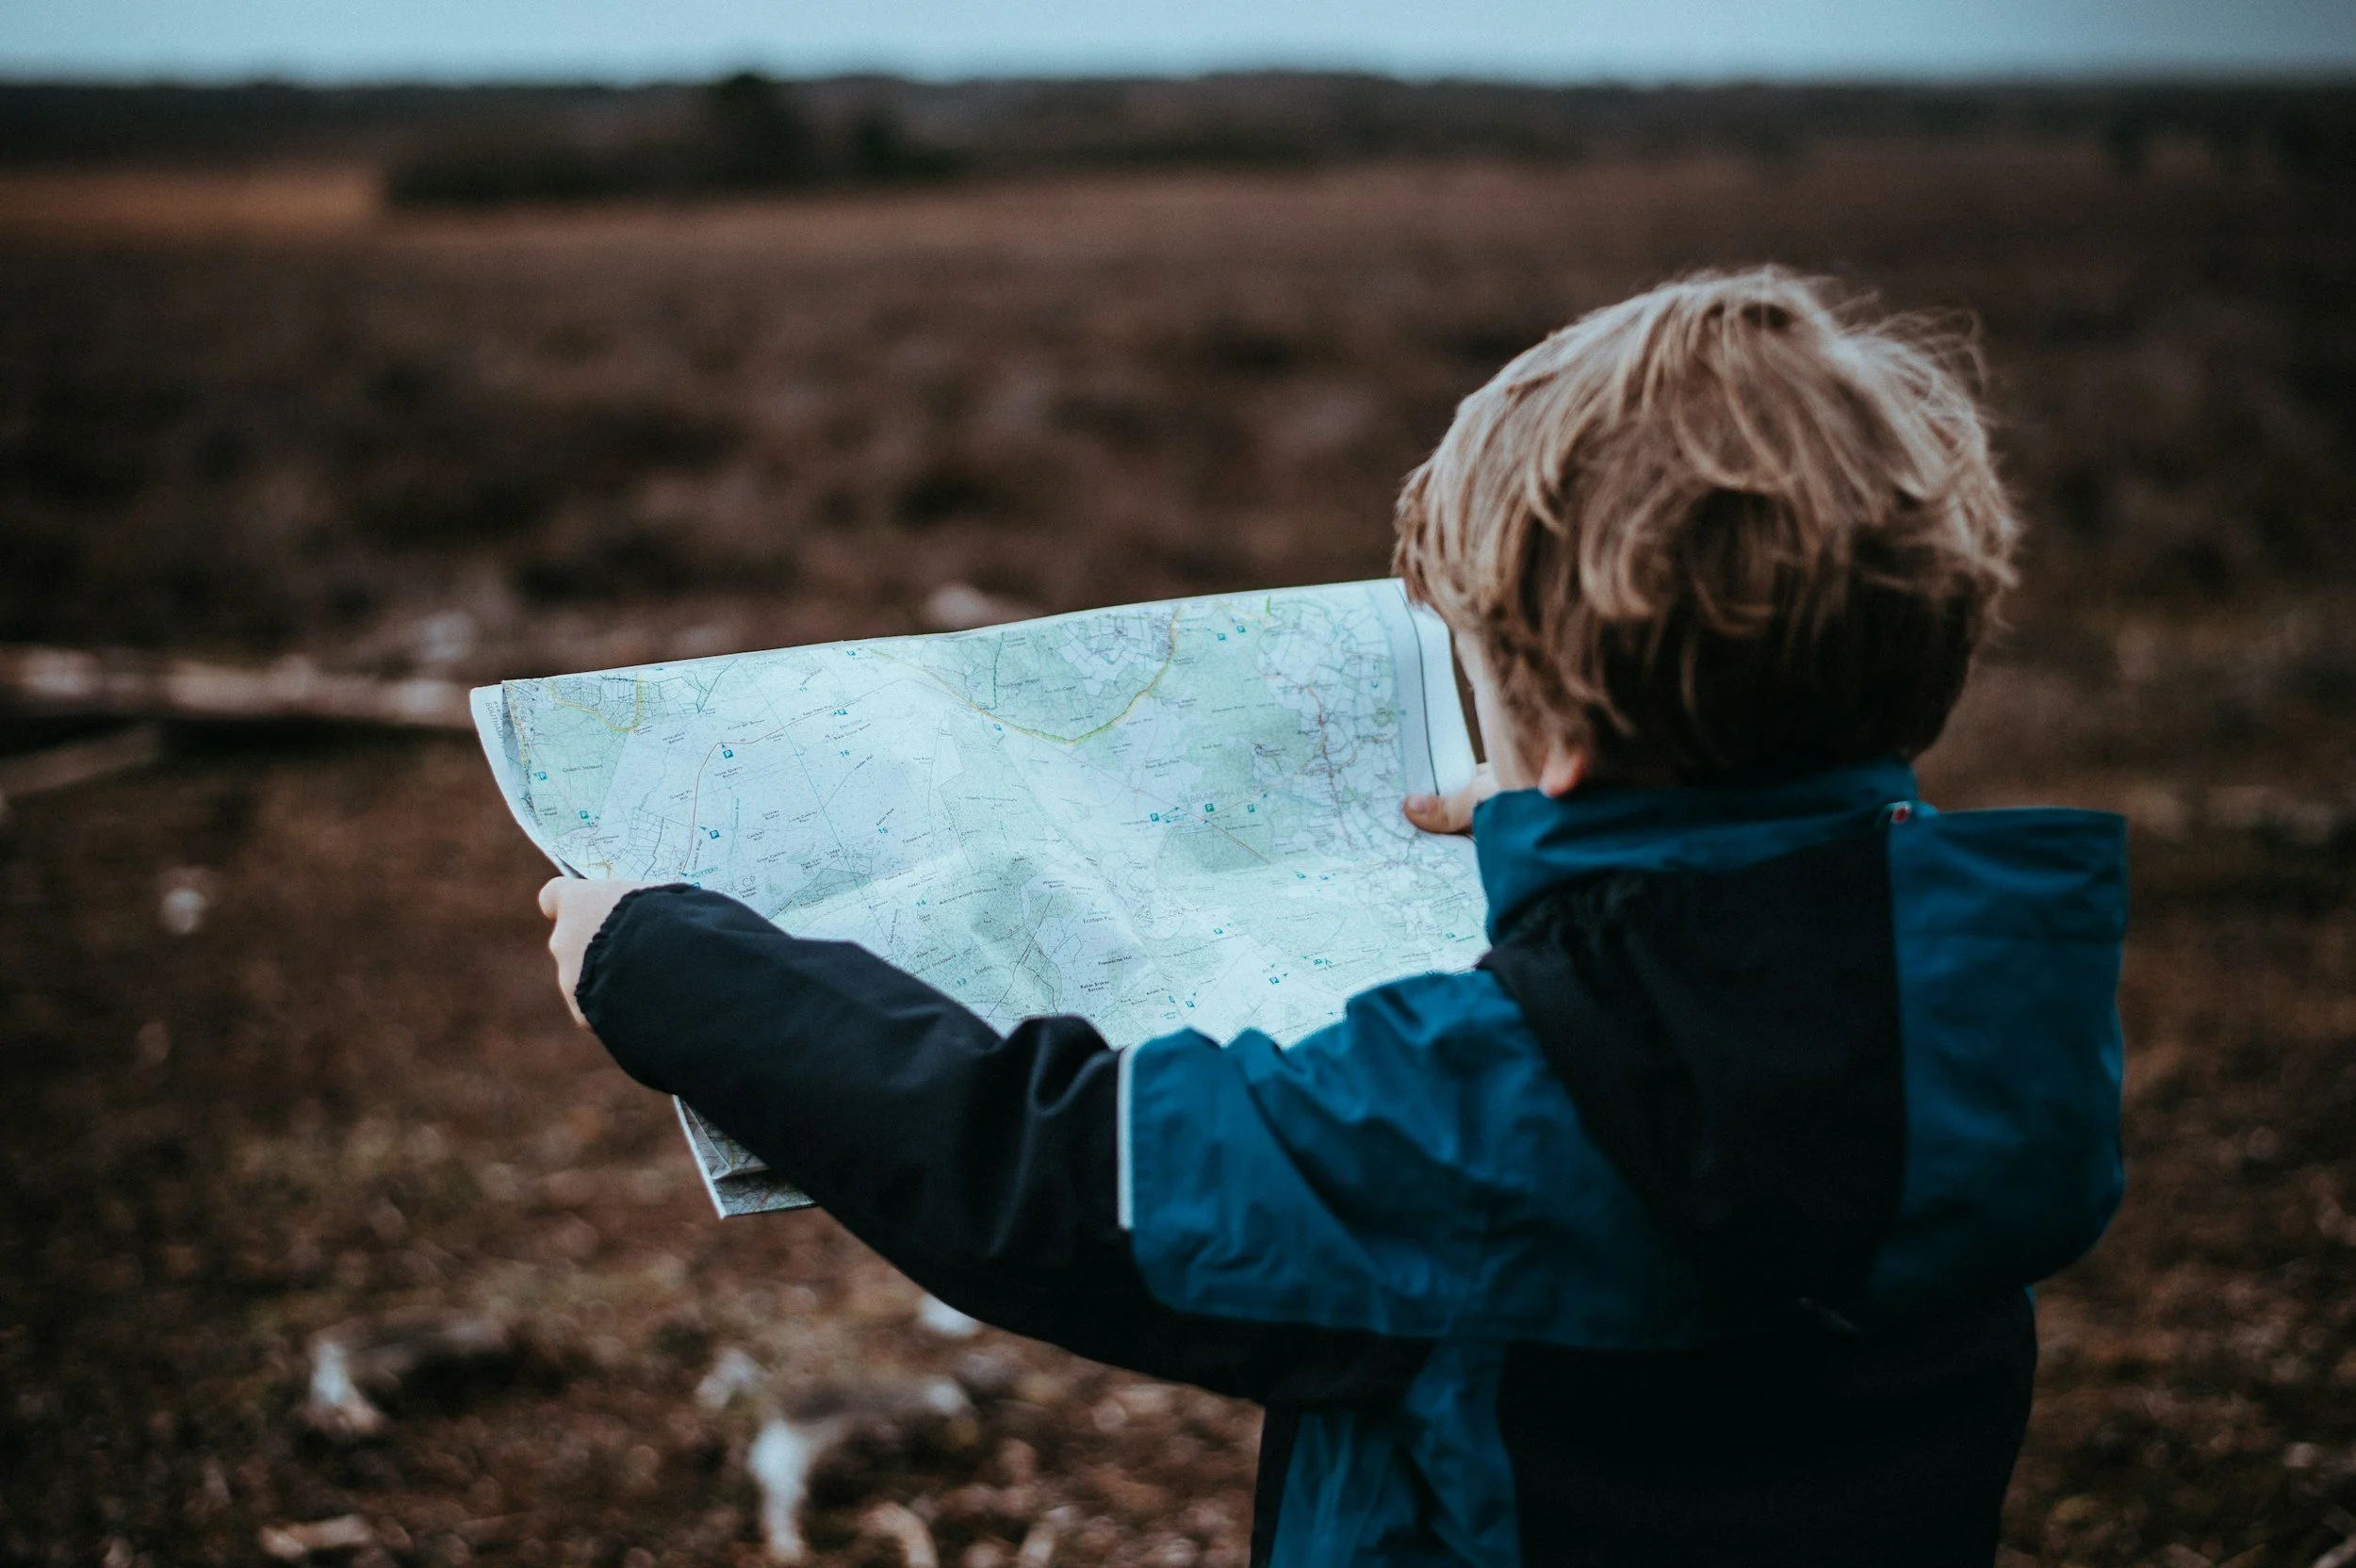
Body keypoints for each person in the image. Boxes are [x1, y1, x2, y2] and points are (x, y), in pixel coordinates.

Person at [537, 268, 2126, 1567]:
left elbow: (1050, 1176)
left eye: (1483, 682)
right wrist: (1560, 832)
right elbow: (1752, 935)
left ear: (1558, 733)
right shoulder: (1998, 1017)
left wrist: (666, 964)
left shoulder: (1486, 1115)